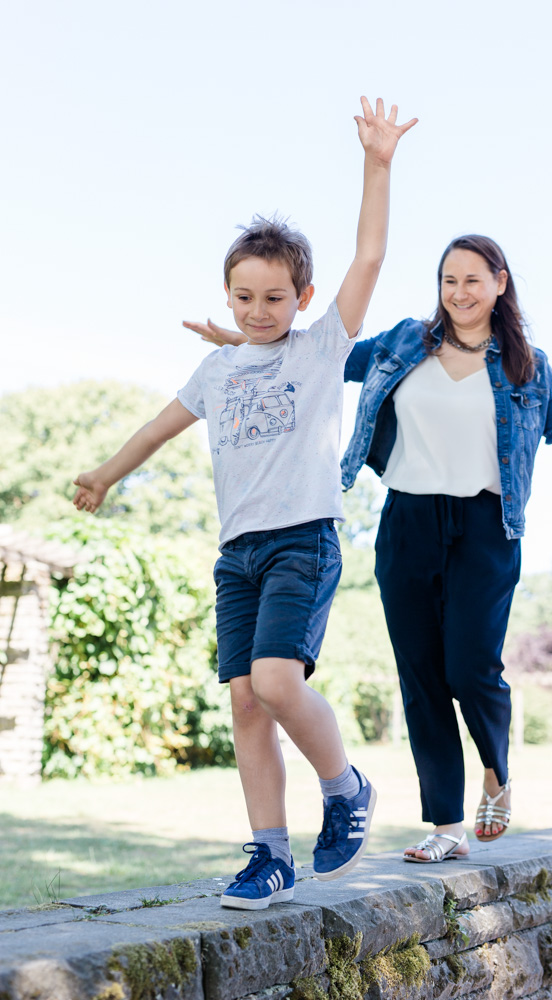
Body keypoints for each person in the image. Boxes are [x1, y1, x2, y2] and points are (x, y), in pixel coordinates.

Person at [183, 233, 552, 864]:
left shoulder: (528, 366)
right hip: (406, 523)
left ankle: (497, 770)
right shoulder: (406, 342)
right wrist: (240, 341)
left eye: (472, 280)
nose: (459, 293)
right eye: (448, 281)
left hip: (487, 528)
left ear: (500, 283)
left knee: (470, 667)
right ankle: (445, 827)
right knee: (421, 678)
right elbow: (323, 358)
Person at [72, 96, 417, 906]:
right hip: (239, 553)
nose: (257, 310)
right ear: (226, 294)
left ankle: (345, 788)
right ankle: (268, 854)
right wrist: (106, 472)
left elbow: (366, 260)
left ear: (300, 299)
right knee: (243, 703)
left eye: (273, 297)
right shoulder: (216, 371)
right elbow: (159, 428)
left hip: (303, 540)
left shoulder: (320, 349)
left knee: (273, 680)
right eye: (243, 296)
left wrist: (376, 163)